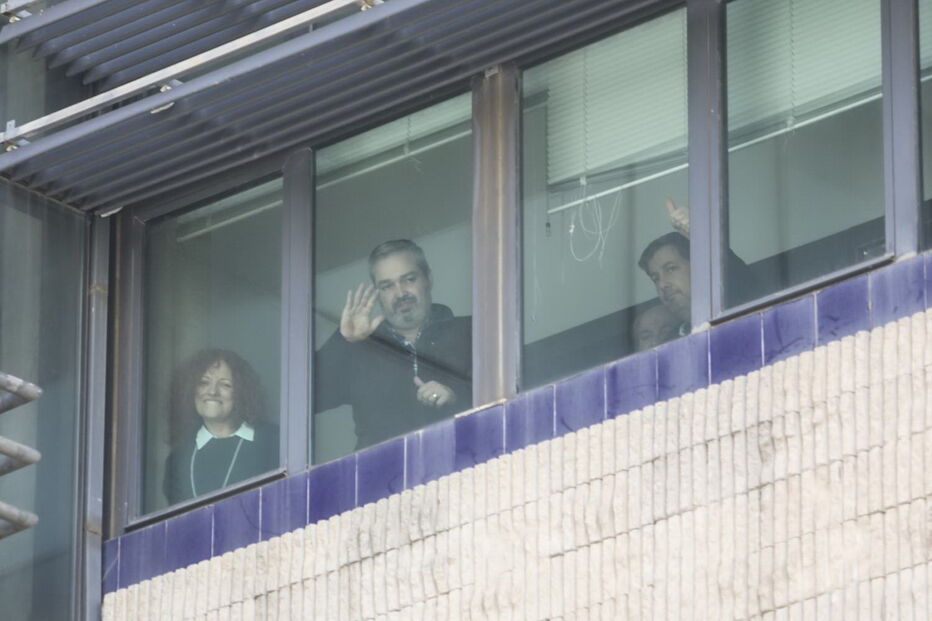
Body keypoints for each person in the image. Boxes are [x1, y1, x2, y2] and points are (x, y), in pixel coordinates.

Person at [315, 239, 471, 450]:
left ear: (428, 279)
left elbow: (508, 394)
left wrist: (456, 399)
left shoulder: (471, 331)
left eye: (408, 279)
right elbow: (305, 400)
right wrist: (345, 341)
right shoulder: (358, 350)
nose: (400, 293)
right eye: (387, 286)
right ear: (378, 295)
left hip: (464, 471)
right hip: (380, 477)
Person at [163, 349, 278, 505]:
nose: (212, 391)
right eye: (204, 382)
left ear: (241, 393)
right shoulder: (178, 459)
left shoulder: (271, 440)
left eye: (225, 385)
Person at [638, 199, 758, 335]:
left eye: (670, 269)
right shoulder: (670, 342)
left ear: (697, 267)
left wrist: (701, 235)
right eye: (655, 278)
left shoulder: (737, 306)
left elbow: (739, 276)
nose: (662, 284)